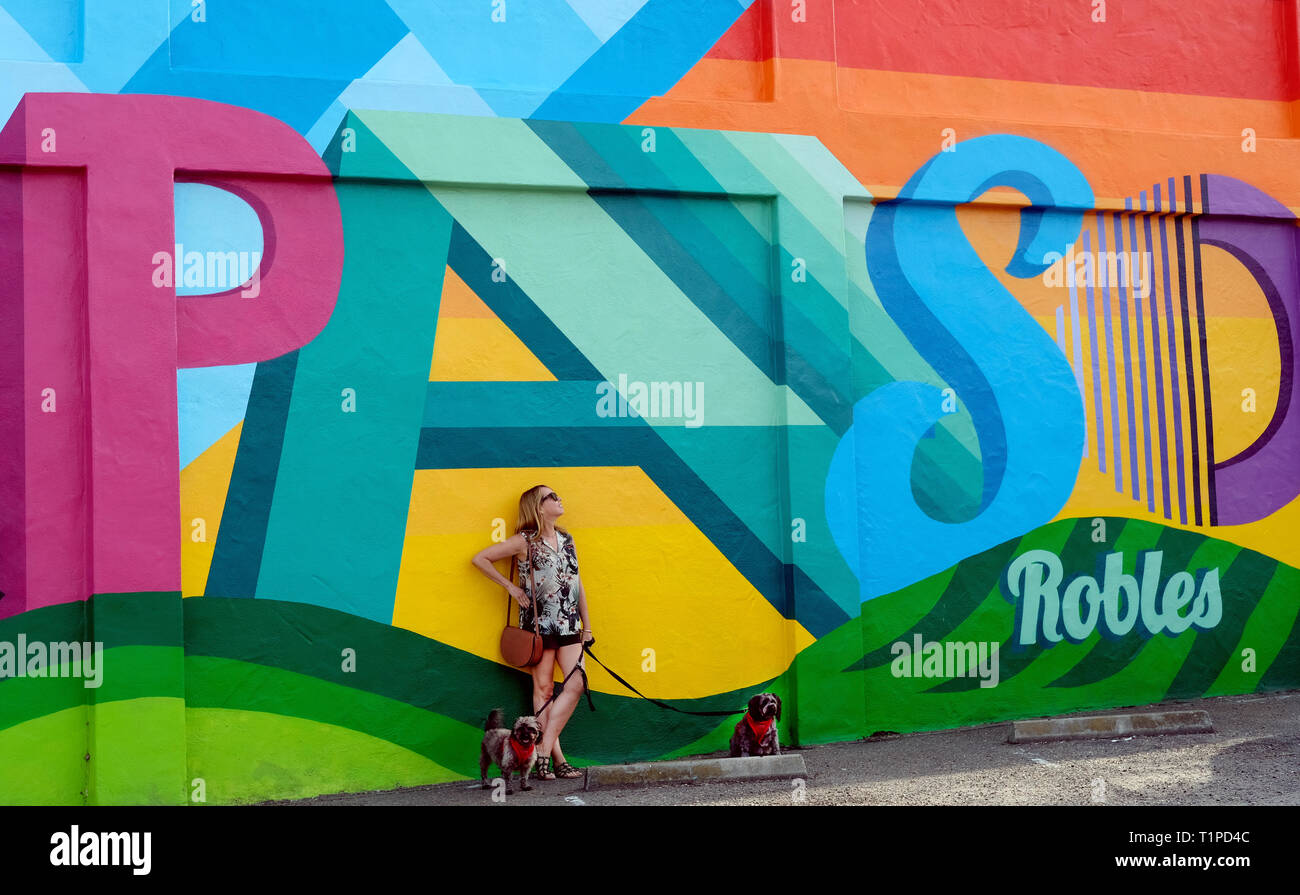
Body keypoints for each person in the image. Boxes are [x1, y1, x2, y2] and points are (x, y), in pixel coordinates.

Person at [471, 485, 592, 780]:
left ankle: (542, 750)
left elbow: (577, 584)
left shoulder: (567, 538)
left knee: (576, 684)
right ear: (538, 507)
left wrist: (586, 625)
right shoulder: (524, 541)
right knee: (545, 691)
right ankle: (558, 761)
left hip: (568, 624)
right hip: (539, 627)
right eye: (552, 496)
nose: (559, 498)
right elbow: (480, 559)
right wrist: (511, 587)